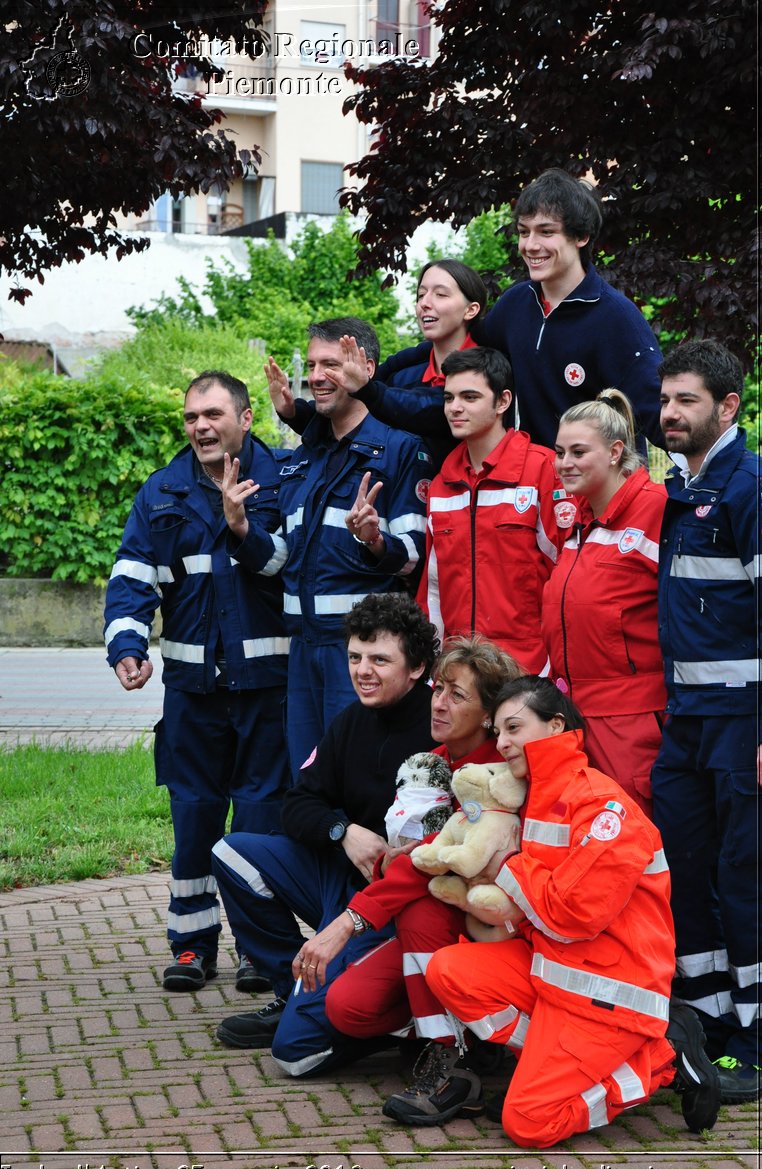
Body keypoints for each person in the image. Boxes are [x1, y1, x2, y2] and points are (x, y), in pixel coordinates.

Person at [424, 677, 721, 1145]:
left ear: (556, 725)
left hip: (612, 989)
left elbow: (574, 912)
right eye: (497, 731)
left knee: (528, 1123)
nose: (501, 743)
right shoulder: (533, 795)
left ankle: (658, 1060)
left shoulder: (600, 803)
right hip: (558, 972)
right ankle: (561, 1062)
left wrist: (504, 866)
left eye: (514, 728)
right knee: (448, 970)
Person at [103, 371, 290, 993]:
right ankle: (191, 945)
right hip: (192, 693)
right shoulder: (162, 493)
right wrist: (126, 645)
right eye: (191, 418)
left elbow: (282, 565)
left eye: (213, 414)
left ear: (245, 419)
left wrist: (243, 527)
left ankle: (262, 952)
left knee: (260, 825)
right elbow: (131, 581)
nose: (202, 427)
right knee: (194, 819)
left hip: (267, 687)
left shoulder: (286, 479)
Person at [210, 593, 438, 1077]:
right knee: (231, 851)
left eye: (380, 659)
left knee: (297, 1055)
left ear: (416, 667)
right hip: (337, 878)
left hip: (391, 903)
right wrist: (343, 831)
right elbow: (298, 804)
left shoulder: (439, 730)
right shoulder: (350, 720)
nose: (362, 670)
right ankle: (288, 985)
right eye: (355, 657)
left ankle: (396, 1024)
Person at [653, 339, 762, 1104]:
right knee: (686, 874)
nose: (669, 413)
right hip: (687, 724)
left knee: (754, 879)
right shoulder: (682, 486)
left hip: (746, 725)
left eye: (686, 401)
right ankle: (708, 1028)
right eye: (665, 398)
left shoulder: (757, 490)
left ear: (727, 408)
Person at [315, 637, 522, 1122]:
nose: (439, 702)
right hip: (443, 925)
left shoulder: (498, 773)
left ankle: (451, 1063)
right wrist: (397, 860)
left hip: (497, 932)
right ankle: (468, 1033)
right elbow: (410, 856)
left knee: (422, 903)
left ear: (490, 713)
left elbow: (430, 865)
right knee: (348, 1008)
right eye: (438, 688)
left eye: (457, 694)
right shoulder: (431, 761)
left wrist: (347, 922)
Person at [266, 318, 432, 777]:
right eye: (313, 365)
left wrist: (376, 541)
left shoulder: (400, 448)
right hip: (302, 650)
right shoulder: (306, 454)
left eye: (332, 365)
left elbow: (416, 551)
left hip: (362, 653)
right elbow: (286, 552)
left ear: (366, 369)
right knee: (308, 781)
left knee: (360, 784)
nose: (317, 376)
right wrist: (240, 530)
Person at [541, 389, 667, 813]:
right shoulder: (579, 520)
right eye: (559, 452)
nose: (564, 463)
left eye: (578, 451)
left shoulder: (656, 511)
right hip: (575, 717)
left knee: (633, 848)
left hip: (631, 722)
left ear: (616, 452)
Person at [477, 167, 663, 451]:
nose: (530, 245)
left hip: (602, 489)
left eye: (546, 232)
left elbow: (661, 417)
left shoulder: (617, 318)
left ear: (581, 236)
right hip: (531, 486)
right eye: (524, 232)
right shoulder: (514, 305)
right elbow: (465, 358)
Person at [417, 346, 573, 673]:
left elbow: (570, 577)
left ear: (503, 401)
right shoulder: (442, 485)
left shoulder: (543, 470)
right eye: (449, 398)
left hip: (529, 671)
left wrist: (555, 670)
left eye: (469, 397)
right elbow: (431, 590)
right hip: (458, 671)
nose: (455, 408)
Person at [271, 260, 487, 469]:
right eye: (421, 295)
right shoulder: (406, 372)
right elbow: (354, 413)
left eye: (440, 294)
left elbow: (428, 409)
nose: (425, 303)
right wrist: (294, 412)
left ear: (471, 309)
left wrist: (369, 391)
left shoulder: (489, 368)